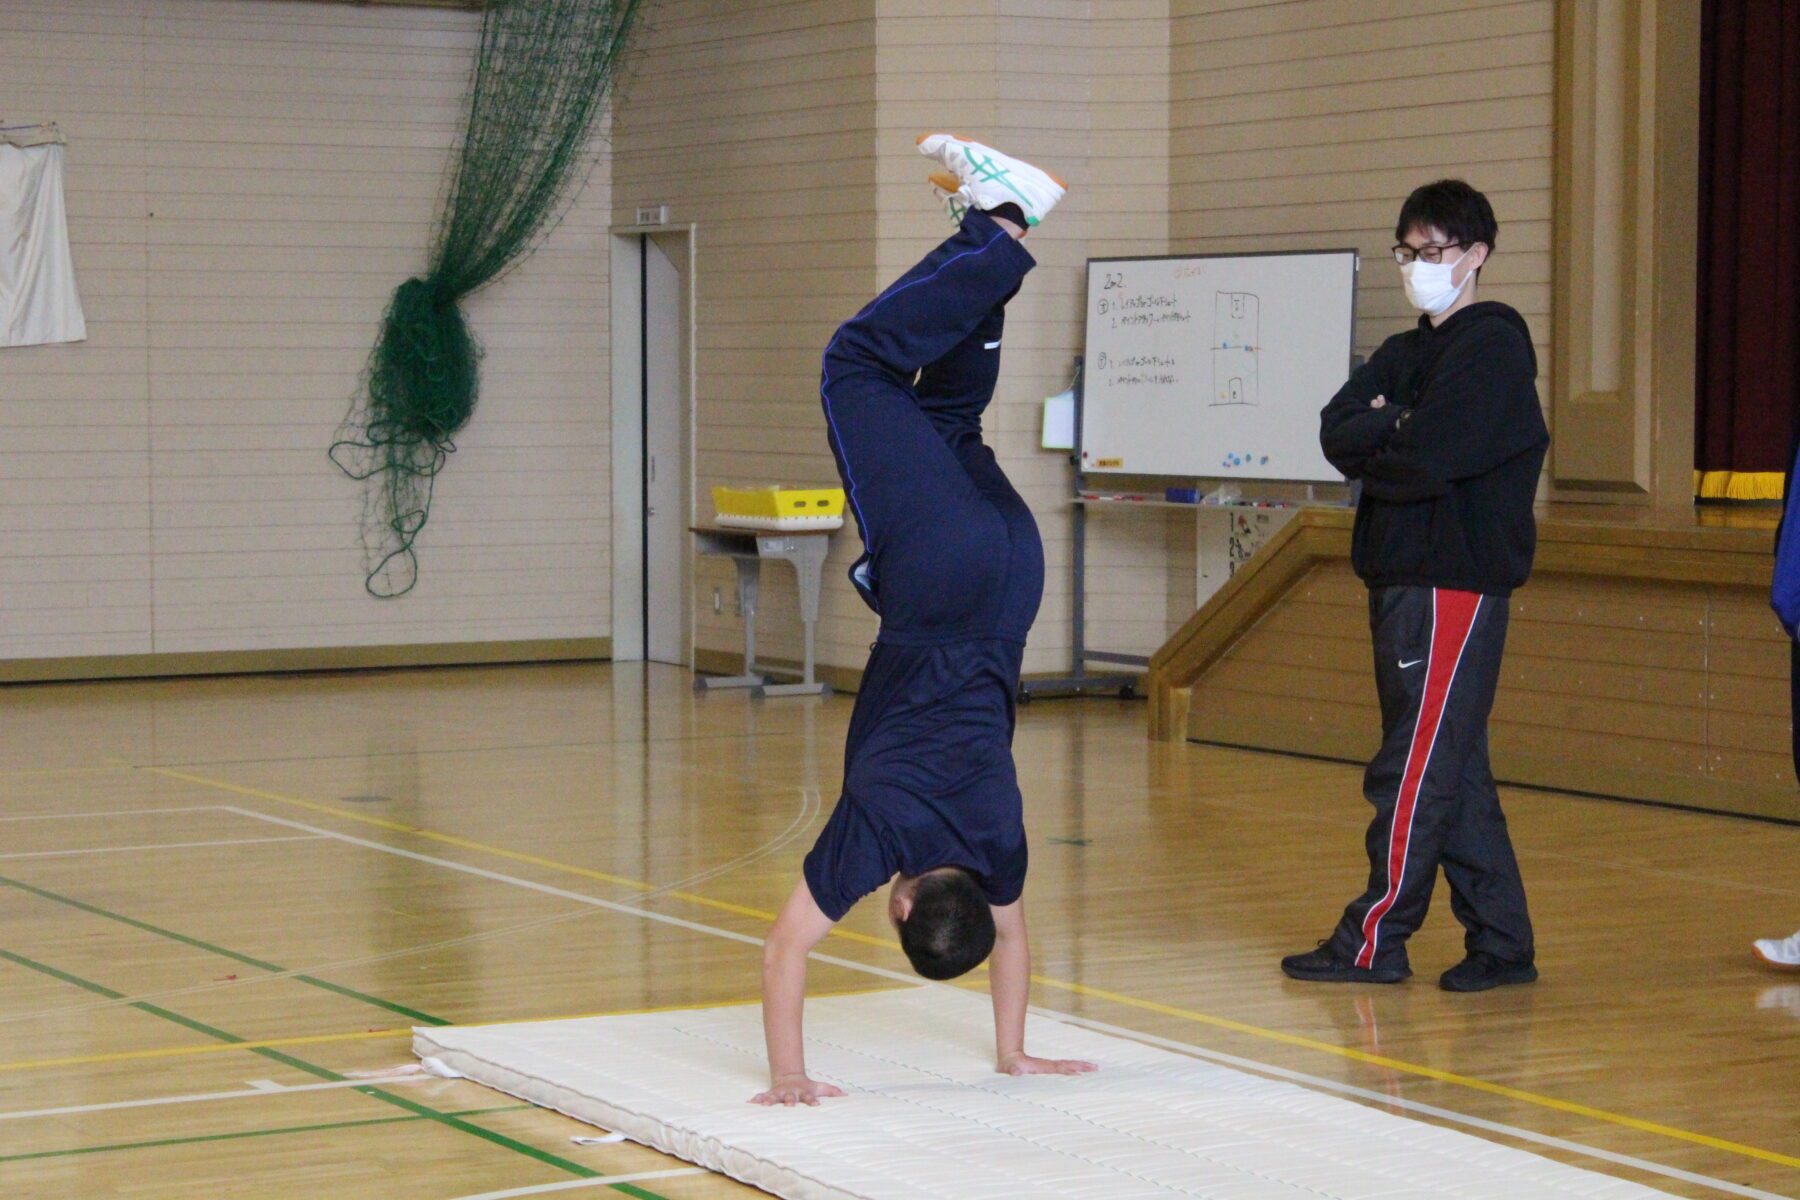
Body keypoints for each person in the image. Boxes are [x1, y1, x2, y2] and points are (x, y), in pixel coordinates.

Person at [751, 134, 1097, 1106]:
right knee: (855, 365)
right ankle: (1003, 225)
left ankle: (982, 240)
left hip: (1012, 580)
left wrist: (1016, 1055)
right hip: (939, 583)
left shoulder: (1000, 845)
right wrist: (790, 1076)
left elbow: (1016, 941)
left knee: (947, 421)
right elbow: (785, 952)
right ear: (899, 905)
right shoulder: (876, 835)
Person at [1282, 179, 1549, 993]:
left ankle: (1374, 939)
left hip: (1450, 583)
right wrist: (1391, 425)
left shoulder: (1493, 347)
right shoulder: (1403, 353)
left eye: (1432, 252)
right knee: (1452, 766)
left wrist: (1390, 428)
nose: (1416, 267)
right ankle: (1502, 943)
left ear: (1476, 255)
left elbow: (1430, 455)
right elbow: (1335, 431)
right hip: (1400, 579)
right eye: (1407, 251)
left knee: (1414, 767)